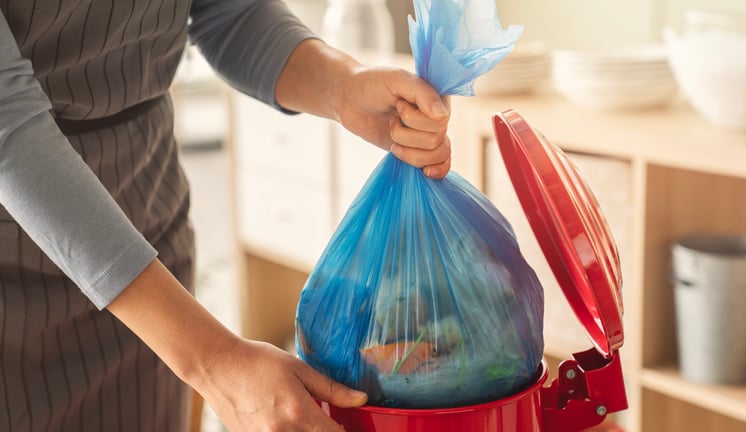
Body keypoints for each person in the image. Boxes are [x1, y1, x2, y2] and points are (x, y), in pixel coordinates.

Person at [0, 1, 451, 431]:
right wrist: (214, 359)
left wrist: (342, 87)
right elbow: (8, 119)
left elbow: (229, 12)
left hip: (148, 233)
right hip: (18, 271)